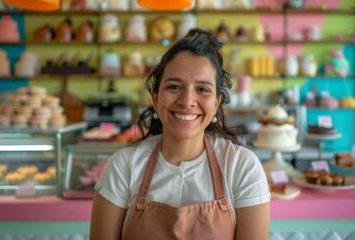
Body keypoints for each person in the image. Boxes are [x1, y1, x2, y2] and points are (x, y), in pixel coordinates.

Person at [90, 28, 270, 240]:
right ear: (155, 98)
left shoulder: (242, 167)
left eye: (202, 89)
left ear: (216, 104)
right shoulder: (123, 167)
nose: (186, 101)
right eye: (174, 86)